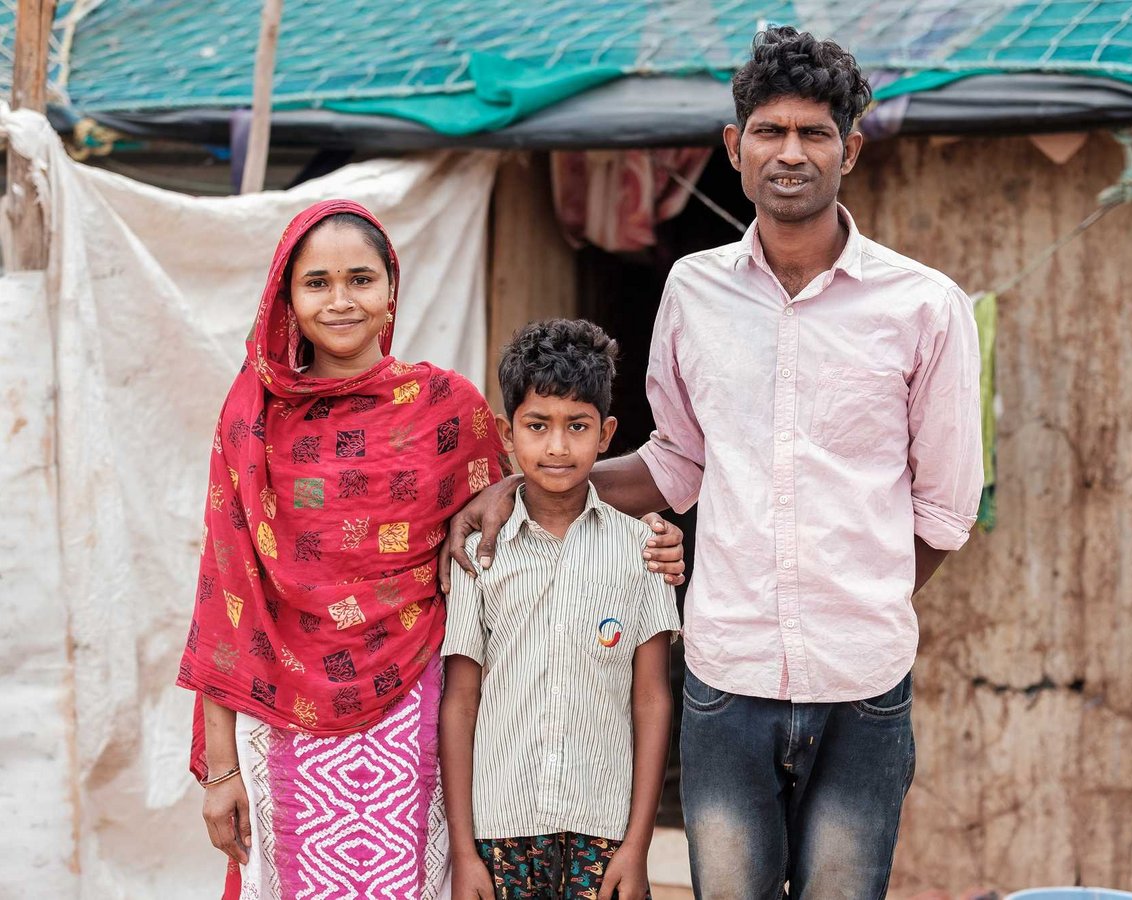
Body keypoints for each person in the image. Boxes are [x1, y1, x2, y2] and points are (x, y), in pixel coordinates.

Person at [447, 28, 983, 899]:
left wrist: (863, 603)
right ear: (735, 147)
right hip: (725, 680)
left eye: (814, 133)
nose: (790, 152)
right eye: (770, 130)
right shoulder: (694, 291)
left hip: (864, 685)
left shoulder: (924, 307)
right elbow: (676, 464)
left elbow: (946, 511)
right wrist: (521, 485)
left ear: (850, 149)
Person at [175, 201, 685, 899]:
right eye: (317, 283)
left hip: (414, 714)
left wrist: (647, 539)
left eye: (360, 279)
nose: (341, 300)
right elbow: (225, 594)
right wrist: (222, 770)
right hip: (282, 723)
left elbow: (535, 496)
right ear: (287, 298)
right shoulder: (252, 418)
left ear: (391, 289)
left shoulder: (445, 408)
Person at [440, 319, 680, 900]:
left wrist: (637, 846)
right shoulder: (480, 556)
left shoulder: (641, 550)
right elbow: (461, 702)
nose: (556, 447)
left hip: (604, 829)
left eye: (577, 426)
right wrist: (464, 852)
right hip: (501, 828)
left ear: (606, 433)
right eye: (537, 425)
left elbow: (651, 699)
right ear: (507, 433)